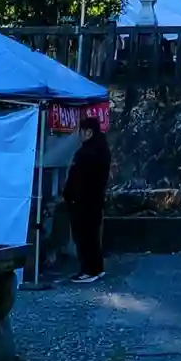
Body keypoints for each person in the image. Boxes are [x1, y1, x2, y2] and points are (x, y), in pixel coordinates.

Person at [62, 115, 111, 284]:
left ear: (88, 132)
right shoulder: (102, 149)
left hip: (82, 201)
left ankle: (88, 270)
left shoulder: (86, 153)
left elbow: (77, 179)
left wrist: (70, 196)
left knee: (83, 237)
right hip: (95, 200)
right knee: (92, 236)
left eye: (81, 132)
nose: (80, 136)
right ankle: (97, 268)